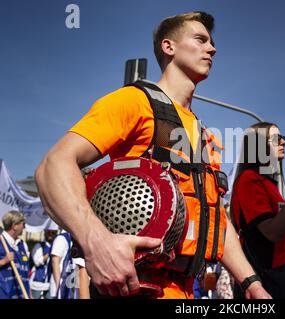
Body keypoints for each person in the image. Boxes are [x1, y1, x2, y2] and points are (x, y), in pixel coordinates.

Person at [35, 11, 270, 299]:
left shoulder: (201, 133)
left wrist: (251, 283)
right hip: (135, 287)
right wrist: (95, 241)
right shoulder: (134, 101)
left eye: (212, 43)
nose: (212, 48)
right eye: (200, 39)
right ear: (168, 47)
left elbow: (215, 219)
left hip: (186, 291)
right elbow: (53, 166)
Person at [231, 122, 285, 298]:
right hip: (267, 286)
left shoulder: (268, 183)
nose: (284, 142)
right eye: (277, 139)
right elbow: (273, 231)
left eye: (283, 138)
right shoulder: (249, 180)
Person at [0, 210, 30, 299]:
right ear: (15, 226)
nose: (24, 228)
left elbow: (26, 274)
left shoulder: (22, 244)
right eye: (23, 224)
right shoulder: (1, 242)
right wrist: (3, 261)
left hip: (22, 294)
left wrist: (30, 294)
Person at [29, 227, 58, 299]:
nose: (51, 235)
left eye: (53, 233)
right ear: (45, 233)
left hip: (49, 284)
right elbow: (37, 262)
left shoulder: (56, 247)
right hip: (37, 284)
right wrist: (50, 253)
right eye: (49, 232)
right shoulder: (39, 246)